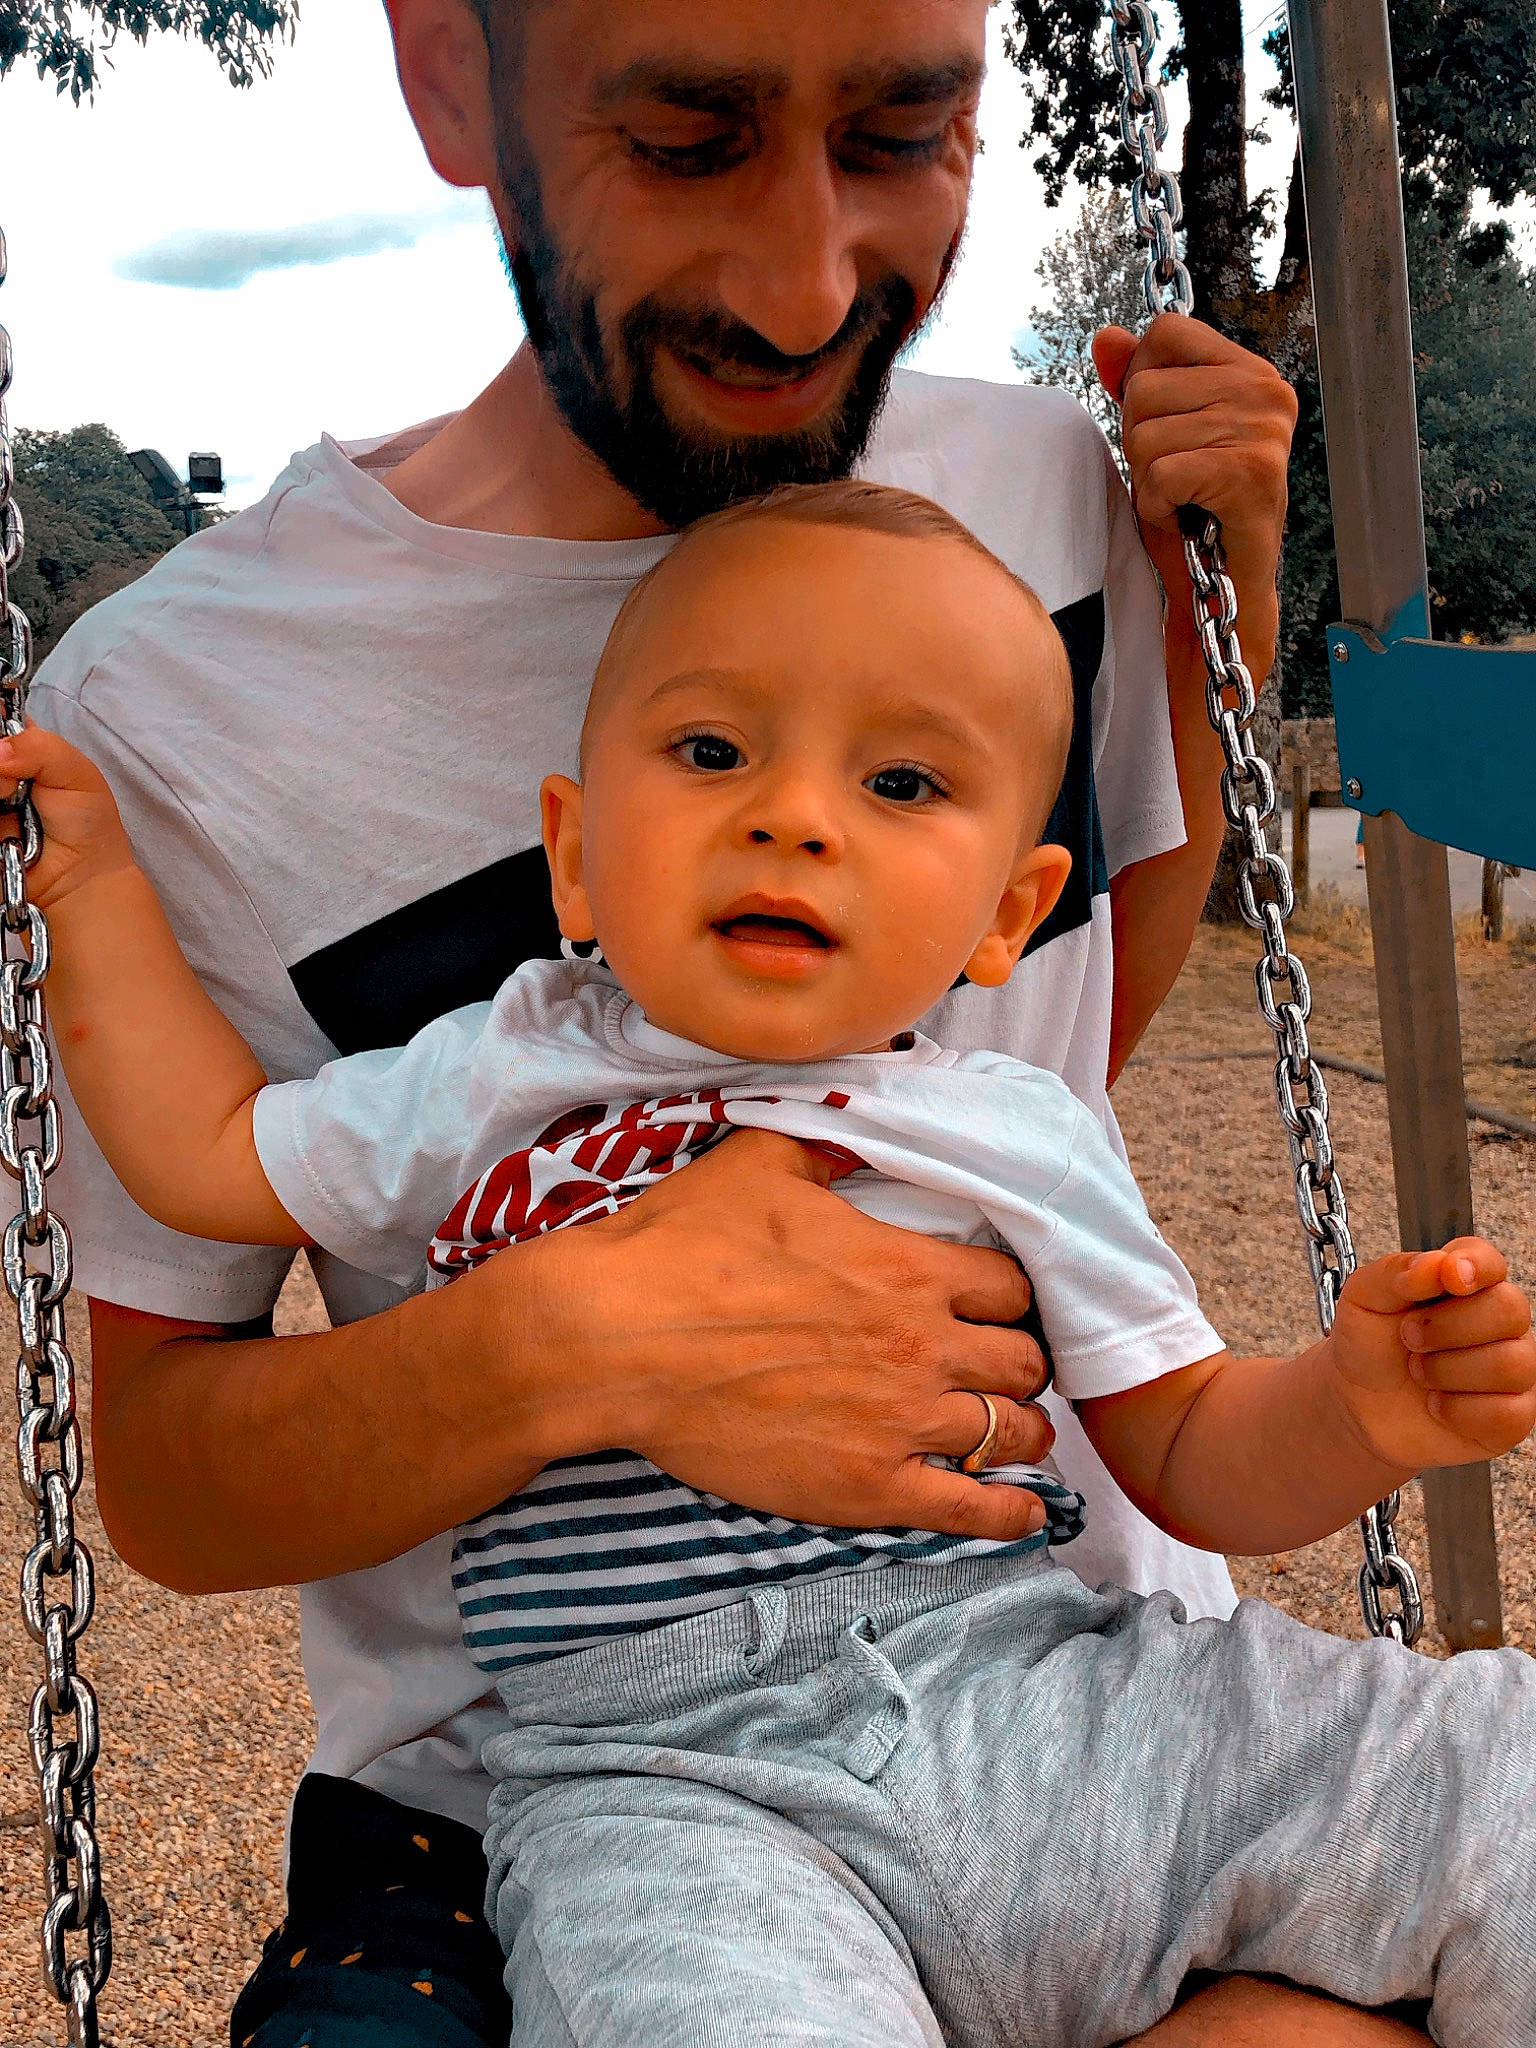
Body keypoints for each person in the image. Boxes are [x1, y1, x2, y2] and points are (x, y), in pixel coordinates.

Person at [28, 0, 1421, 2037]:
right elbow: (158, 1476)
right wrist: (588, 1335)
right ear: (448, 81)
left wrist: (1221, 632)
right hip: (562, 1799)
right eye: (688, 138)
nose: (804, 283)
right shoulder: (188, 711)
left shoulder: (1046, 493)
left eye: (901, 130)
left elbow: (1065, 1025)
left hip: (1097, 1697)